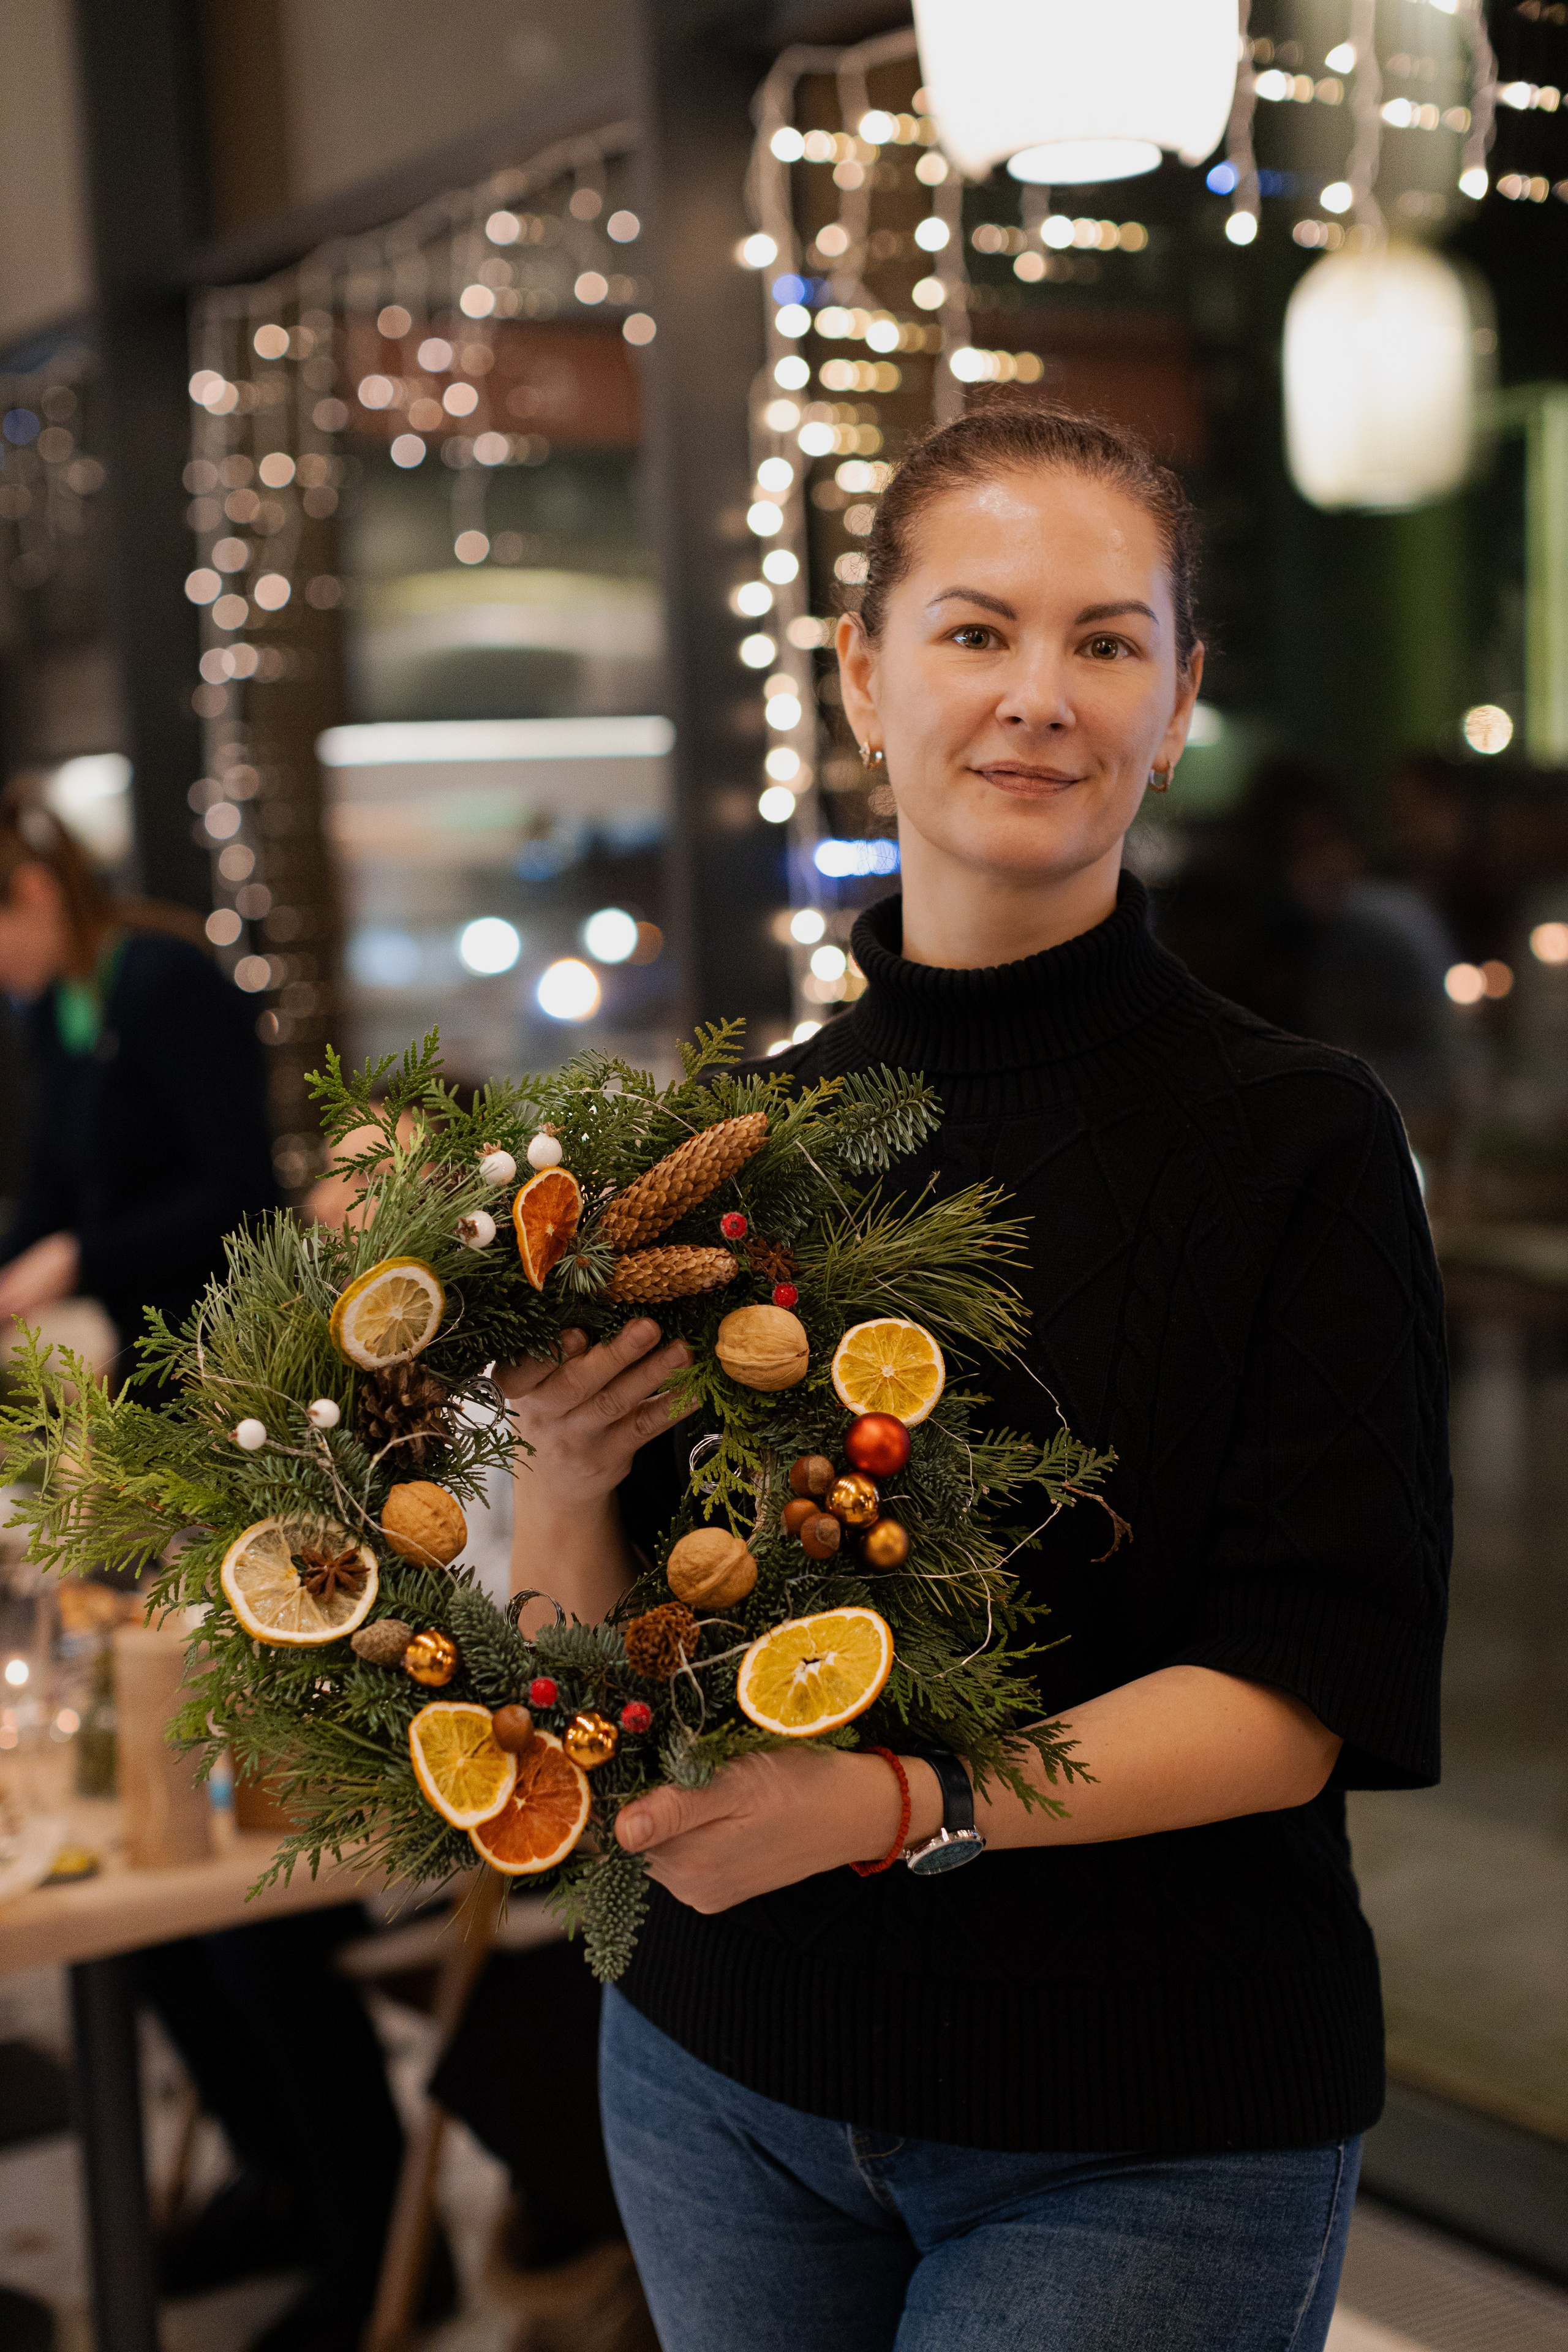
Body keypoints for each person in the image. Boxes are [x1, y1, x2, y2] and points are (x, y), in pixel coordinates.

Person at [498, 404, 1451, 2352]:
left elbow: (1296, 1697)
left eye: (1106, 641)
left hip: (1143, 2116)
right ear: (862, 675)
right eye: (974, 629)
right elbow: (602, 1700)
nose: (1039, 695)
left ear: (1178, 701)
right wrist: (565, 1480)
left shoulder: (1295, 1137)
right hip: (713, 2068)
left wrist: (890, 1800)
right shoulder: (726, 1153)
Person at [0, 796, 276, 1373]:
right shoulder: (56, 1009)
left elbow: (240, 1192)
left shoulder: (166, 981)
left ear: (34, 892)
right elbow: (50, 1191)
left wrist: (80, 1257)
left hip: (232, 1346)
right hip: (141, 1341)